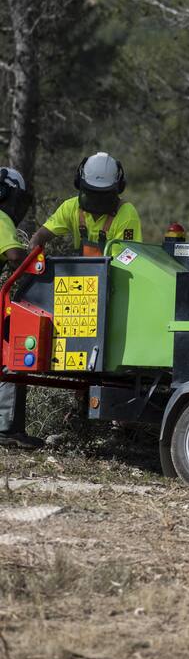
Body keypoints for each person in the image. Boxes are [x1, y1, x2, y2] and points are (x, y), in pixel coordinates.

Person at [29, 152, 141, 256]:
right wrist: (36, 240)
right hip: (80, 271)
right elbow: (42, 234)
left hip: (113, 271)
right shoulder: (71, 207)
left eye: (104, 194)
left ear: (119, 188)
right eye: (92, 192)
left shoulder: (127, 214)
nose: (98, 199)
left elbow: (124, 262)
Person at [0, 167, 40, 449]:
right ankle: (7, 429)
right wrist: (38, 259)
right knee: (12, 354)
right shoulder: (1, 218)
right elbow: (15, 255)